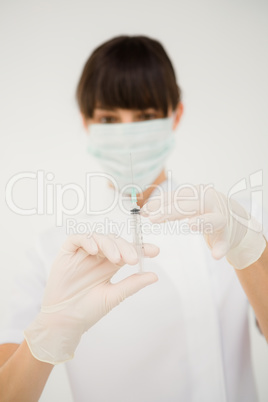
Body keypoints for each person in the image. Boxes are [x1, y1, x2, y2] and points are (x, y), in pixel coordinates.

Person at [0, 35, 268, 402]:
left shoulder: (236, 221)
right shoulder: (53, 250)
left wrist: (249, 248)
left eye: (145, 117)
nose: (127, 136)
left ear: (176, 115)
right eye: (109, 118)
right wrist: (47, 335)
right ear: (87, 123)